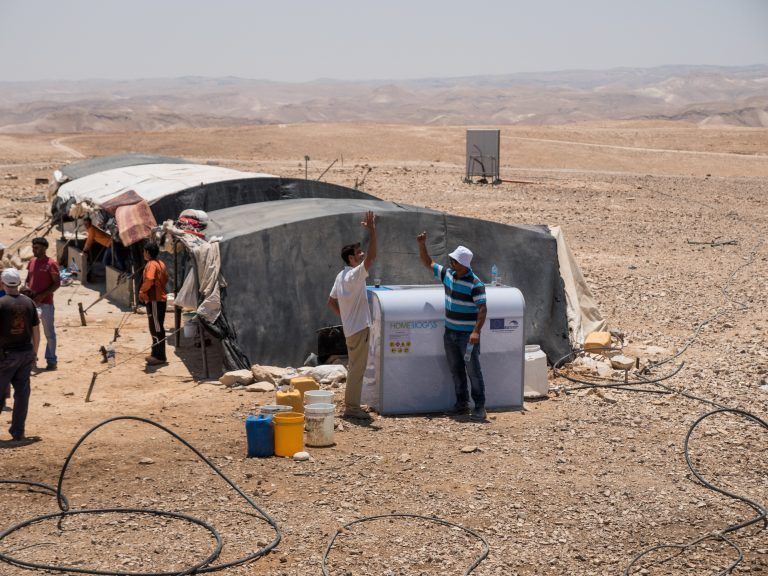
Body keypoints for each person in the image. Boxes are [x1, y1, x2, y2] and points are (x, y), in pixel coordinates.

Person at [417, 232, 488, 422]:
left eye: (454, 261)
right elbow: (428, 263)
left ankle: (480, 407)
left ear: (464, 265)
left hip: (467, 336)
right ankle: (461, 404)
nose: (451, 264)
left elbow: (482, 309)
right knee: (456, 369)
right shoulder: (448, 274)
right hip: (450, 333)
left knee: (473, 370)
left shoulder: (475, 284)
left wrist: (475, 332)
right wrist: (422, 245)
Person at [327, 211, 377, 420]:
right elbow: (372, 256)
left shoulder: (341, 275)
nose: (362, 254)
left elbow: (331, 302)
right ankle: (352, 408)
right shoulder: (355, 274)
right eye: (358, 253)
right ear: (351, 258)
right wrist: (372, 231)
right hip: (358, 329)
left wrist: (345, 318)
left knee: (355, 368)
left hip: (351, 329)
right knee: (357, 369)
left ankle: (352, 405)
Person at [0, 268, 40, 441]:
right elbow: (36, 332)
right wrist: (35, 355)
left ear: (2, 283)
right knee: (22, 395)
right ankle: (18, 432)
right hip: (25, 353)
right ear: (19, 283)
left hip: (5, 356)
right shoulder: (29, 303)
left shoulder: (1, 303)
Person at [25, 237, 59, 371]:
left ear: (44, 248)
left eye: (37, 248)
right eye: (33, 247)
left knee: (49, 333)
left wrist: (42, 295)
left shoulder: (51, 264)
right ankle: (32, 360)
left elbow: (57, 284)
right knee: (32, 333)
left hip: (46, 304)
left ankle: (51, 360)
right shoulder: (32, 262)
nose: (34, 250)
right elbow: (28, 279)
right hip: (32, 304)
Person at [139, 242, 169, 366]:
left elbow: (150, 279)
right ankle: (155, 353)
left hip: (155, 300)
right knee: (156, 326)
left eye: (144, 251)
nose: (143, 253)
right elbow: (166, 279)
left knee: (156, 328)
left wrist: (142, 290)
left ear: (147, 252)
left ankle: (159, 356)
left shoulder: (151, 264)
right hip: (158, 299)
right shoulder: (161, 263)